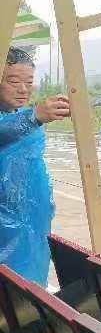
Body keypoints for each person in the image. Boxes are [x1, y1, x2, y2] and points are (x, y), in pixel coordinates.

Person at [0, 48, 70, 285]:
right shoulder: (27, 118)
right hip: (4, 224)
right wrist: (34, 117)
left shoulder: (23, 117)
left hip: (32, 220)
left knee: (29, 286)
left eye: (29, 82)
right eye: (13, 81)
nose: (23, 89)